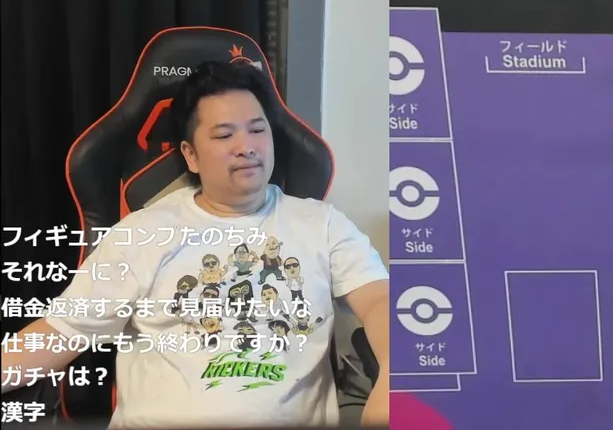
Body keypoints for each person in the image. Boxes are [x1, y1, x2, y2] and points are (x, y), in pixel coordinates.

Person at [1, 61, 390, 428]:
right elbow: (60, 333)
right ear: (191, 155)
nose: (246, 146)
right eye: (224, 135)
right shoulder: (144, 233)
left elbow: (379, 301)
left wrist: (395, 373)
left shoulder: (321, 224)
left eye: (257, 130)